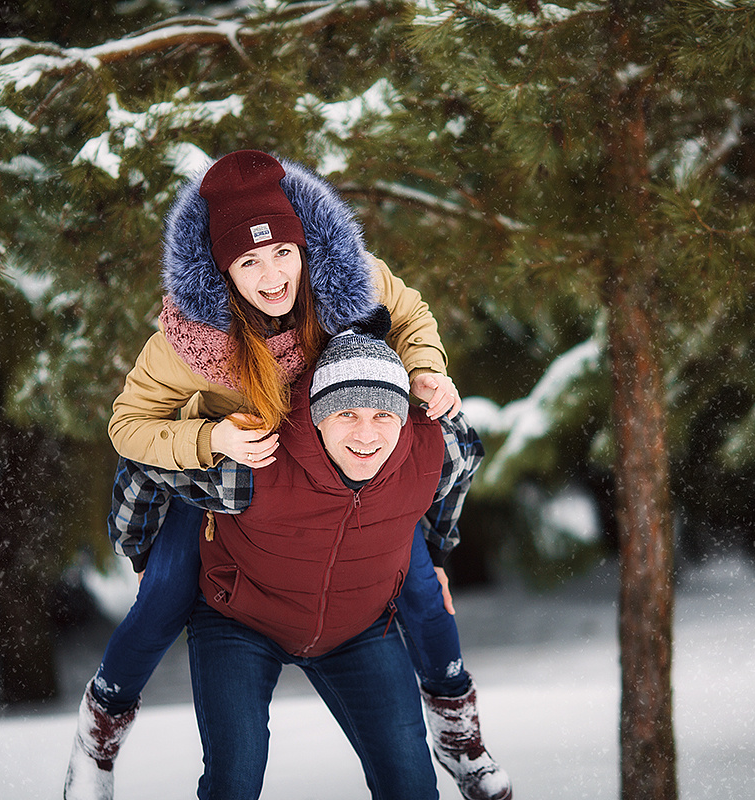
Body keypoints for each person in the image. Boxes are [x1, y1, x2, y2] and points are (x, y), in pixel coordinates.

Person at [63, 151, 509, 800]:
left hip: (341, 469)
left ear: (305, 246)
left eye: (282, 254)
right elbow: (129, 426)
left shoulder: (350, 280)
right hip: (234, 477)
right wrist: (211, 438)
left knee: (418, 583)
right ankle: (98, 738)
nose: (272, 276)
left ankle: (458, 736)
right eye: (249, 262)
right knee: (165, 595)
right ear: (222, 269)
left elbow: (411, 315)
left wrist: (426, 368)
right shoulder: (192, 340)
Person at [147, 313, 490, 799]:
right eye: (346, 414)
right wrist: (140, 553)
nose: (366, 435)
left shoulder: (435, 449)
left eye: (383, 415)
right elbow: (147, 466)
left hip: (359, 627)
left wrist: (435, 550)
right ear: (317, 415)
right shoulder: (256, 458)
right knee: (234, 780)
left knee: (411, 786)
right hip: (241, 621)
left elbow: (466, 462)